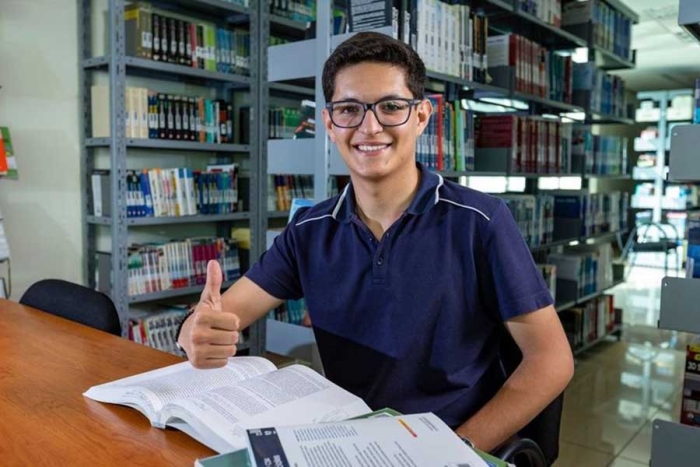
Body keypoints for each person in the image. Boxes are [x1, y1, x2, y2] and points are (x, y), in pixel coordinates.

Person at [177, 31, 574, 453]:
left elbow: (551, 362)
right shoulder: (308, 230)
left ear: (421, 117)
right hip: (347, 440)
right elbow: (222, 315)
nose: (370, 126)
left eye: (390, 107)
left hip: (453, 443)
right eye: (349, 109)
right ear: (330, 124)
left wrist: (451, 451)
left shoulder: (481, 222)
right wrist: (194, 333)